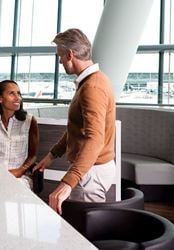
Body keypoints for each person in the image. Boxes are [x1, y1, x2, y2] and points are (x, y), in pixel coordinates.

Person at [33, 28, 116, 214]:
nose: (60, 62)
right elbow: (76, 129)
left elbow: (95, 139)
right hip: (90, 169)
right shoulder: (94, 81)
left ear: (70, 54)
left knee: (84, 235)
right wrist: (51, 156)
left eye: (60, 57)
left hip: (90, 173)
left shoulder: (92, 87)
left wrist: (68, 181)